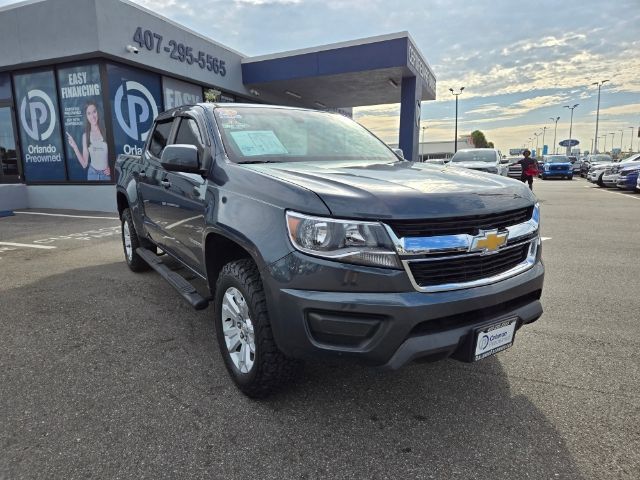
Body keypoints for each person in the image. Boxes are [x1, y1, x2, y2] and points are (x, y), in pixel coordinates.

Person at [66, 101, 110, 181]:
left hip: (106, 175)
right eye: (89, 113)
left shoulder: (106, 131)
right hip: (92, 174)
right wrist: (75, 147)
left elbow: (116, 155)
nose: (92, 116)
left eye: (94, 112)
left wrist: (111, 167)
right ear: (86, 116)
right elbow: (84, 164)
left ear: (98, 112)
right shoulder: (85, 136)